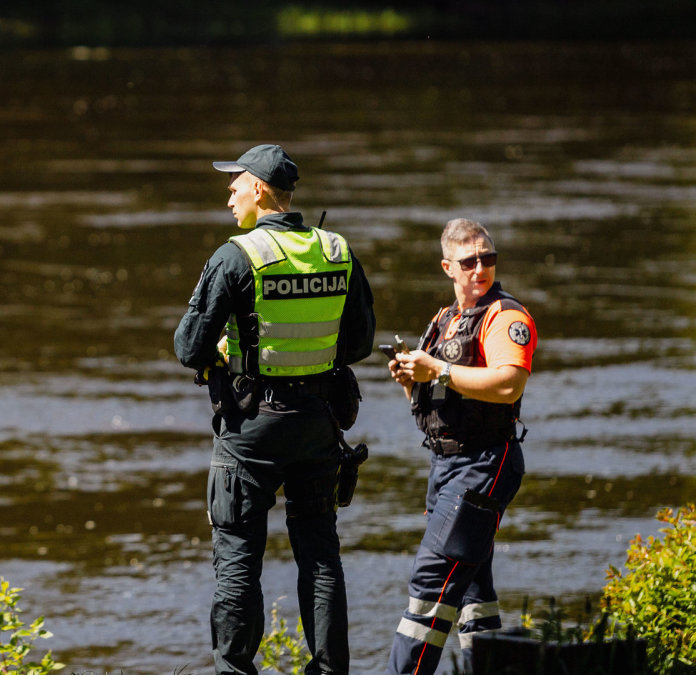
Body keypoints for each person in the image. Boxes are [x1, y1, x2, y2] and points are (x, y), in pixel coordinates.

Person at [174, 144, 375, 675]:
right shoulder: (337, 251)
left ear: (260, 191)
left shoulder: (236, 255)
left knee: (238, 557)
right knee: (321, 555)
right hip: (317, 426)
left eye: (235, 184)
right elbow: (359, 343)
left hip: (250, 428)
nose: (228, 195)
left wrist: (228, 351)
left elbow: (187, 347)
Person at [383, 218, 538, 675]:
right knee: (472, 591)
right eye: (469, 261)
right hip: (445, 463)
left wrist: (440, 371)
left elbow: (509, 385)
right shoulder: (444, 320)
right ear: (448, 267)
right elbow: (432, 399)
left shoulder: (505, 316)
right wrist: (412, 380)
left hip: (485, 462)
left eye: (488, 258)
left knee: (431, 585)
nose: (480, 269)